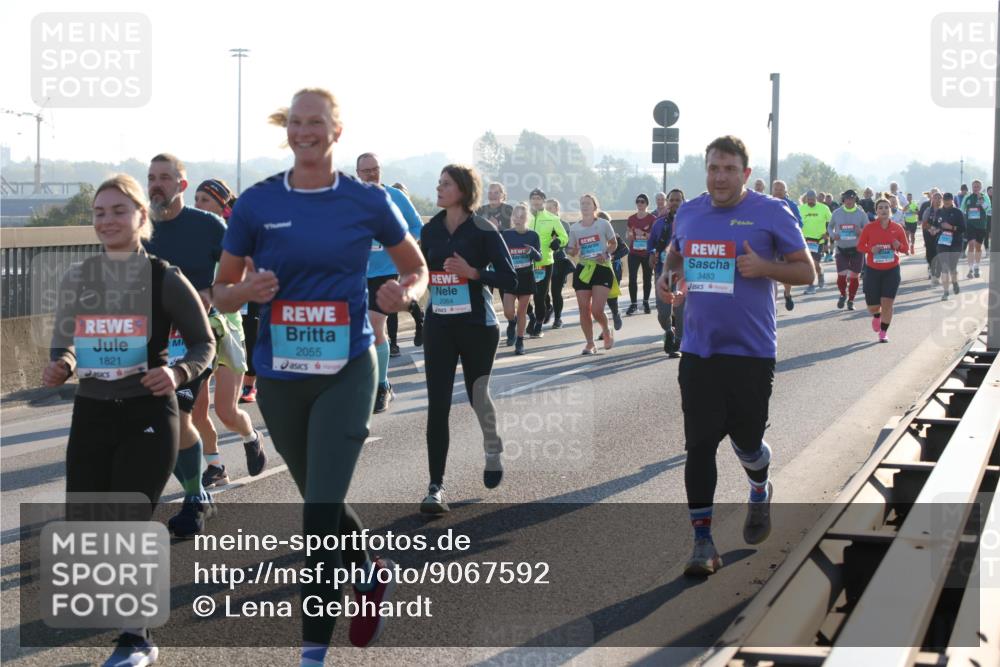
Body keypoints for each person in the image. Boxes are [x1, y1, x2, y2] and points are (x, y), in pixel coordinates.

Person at [212, 88, 428, 660]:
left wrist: (403, 294)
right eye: (297, 122)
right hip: (281, 377)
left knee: (316, 520)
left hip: (347, 367)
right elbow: (221, 290)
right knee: (321, 502)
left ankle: (312, 653)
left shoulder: (367, 200)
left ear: (337, 130)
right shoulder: (258, 203)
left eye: (318, 123)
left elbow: (417, 267)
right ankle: (369, 569)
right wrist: (246, 291)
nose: (306, 131)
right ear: (289, 130)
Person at [44, 174, 214, 667]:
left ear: (142, 218)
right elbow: (66, 341)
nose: (107, 221)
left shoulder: (164, 276)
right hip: (93, 411)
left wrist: (176, 371)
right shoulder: (80, 278)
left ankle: (136, 638)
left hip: (147, 411)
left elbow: (203, 344)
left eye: (119, 211)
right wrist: (64, 364)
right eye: (99, 212)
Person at [657, 135, 813, 576]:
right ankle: (702, 543)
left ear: (745, 173)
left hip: (751, 353)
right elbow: (675, 256)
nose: (719, 176)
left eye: (728, 169)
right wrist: (666, 279)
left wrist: (766, 269)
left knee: (746, 442)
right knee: (699, 446)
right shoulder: (688, 212)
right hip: (699, 351)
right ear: (704, 171)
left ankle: (759, 486)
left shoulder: (770, 212)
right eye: (712, 168)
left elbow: (806, 270)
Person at [144, 153, 250, 537]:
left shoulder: (208, 226)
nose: (157, 184)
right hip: (150, 340)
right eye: (152, 177)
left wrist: (210, 293)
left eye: (165, 178)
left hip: (195, 341)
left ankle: (193, 500)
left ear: (181, 185)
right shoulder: (141, 227)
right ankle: (198, 492)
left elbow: (239, 274)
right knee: (158, 422)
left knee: (181, 416)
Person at [419, 164, 517, 514]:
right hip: (440, 325)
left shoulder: (484, 229)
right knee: (438, 404)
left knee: (478, 395)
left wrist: (473, 273)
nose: (439, 188)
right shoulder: (429, 230)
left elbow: (513, 280)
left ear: (462, 189)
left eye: (445, 183)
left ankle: (492, 445)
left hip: (477, 325)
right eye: (439, 182)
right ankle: (435, 487)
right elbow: (421, 274)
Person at [192, 178, 266, 488]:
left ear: (222, 206)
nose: (198, 206)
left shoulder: (235, 239)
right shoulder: (187, 238)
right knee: (195, 413)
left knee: (226, 411)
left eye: (205, 200)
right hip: (195, 334)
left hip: (229, 330)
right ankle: (216, 465)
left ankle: (250, 436)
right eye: (195, 199)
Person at [357, 152, 425, 413]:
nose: (372, 174)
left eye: (375, 169)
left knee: (375, 327)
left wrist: (400, 249)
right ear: (358, 173)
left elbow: (417, 228)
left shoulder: (395, 197)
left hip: (385, 271)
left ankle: (383, 385)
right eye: (366, 171)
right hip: (355, 273)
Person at [566, 194, 619, 355]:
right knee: (584, 309)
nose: (584, 206)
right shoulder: (575, 228)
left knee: (596, 309)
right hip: (583, 269)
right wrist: (573, 250)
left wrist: (606, 253)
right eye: (582, 203)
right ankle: (590, 343)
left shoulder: (603, 224)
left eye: (588, 203)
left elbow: (613, 243)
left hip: (601, 268)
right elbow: (569, 249)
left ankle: (606, 329)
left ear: (595, 207)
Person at [856, 196, 909, 342]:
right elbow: (860, 247)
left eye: (886, 207)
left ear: (890, 210)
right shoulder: (869, 228)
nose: (884, 210)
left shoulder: (897, 228)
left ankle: (883, 332)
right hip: (873, 270)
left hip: (891, 270)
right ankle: (876, 316)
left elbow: (906, 249)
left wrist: (899, 246)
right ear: (876, 211)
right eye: (880, 208)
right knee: (873, 306)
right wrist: (871, 249)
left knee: (887, 303)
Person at [648, 188, 685, 355]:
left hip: (682, 273)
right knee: (663, 312)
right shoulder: (659, 223)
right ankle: (668, 330)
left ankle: (676, 342)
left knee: (679, 308)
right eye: (672, 200)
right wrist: (651, 254)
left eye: (678, 200)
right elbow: (651, 244)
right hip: (662, 271)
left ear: (683, 202)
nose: (675, 203)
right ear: (667, 202)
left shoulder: (690, 222)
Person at [527, 188, 568, 337]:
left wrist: (558, 242)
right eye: (533, 198)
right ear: (530, 200)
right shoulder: (525, 217)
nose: (536, 201)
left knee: (539, 296)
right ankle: (532, 317)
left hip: (545, 262)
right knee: (524, 295)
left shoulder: (552, 218)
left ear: (543, 200)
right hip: (526, 263)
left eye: (539, 198)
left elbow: (564, 237)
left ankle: (538, 325)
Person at [502, 203, 542, 354]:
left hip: (526, 276)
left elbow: (539, 257)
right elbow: (500, 254)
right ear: (512, 218)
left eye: (522, 216)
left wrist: (532, 251)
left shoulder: (533, 236)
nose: (518, 219)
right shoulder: (506, 234)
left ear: (527, 218)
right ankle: (511, 322)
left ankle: (520, 341)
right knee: (508, 310)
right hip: (511, 277)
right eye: (515, 216)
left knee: (522, 311)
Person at [828, 189, 868, 310]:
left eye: (852, 198)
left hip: (857, 249)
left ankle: (851, 300)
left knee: (854, 276)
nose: (849, 201)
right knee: (842, 276)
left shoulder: (861, 213)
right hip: (841, 248)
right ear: (843, 199)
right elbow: (830, 227)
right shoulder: (836, 212)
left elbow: (868, 230)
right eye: (847, 199)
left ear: (855, 199)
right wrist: (832, 235)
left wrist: (861, 231)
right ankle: (842, 294)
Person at [929, 193, 967, 299]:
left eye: (948, 199)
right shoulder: (939, 212)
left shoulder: (958, 212)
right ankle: (945, 292)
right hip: (942, 242)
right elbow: (936, 225)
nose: (946, 201)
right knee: (944, 267)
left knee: (952, 267)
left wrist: (951, 227)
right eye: (944, 199)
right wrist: (934, 230)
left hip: (956, 242)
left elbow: (963, 229)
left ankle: (954, 282)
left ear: (952, 200)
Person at [772, 180, 801, 311]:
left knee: (785, 274)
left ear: (785, 191)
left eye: (781, 189)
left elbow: (799, 223)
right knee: (771, 274)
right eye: (776, 188)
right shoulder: (765, 203)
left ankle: (787, 294)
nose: (778, 191)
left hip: (785, 243)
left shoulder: (791, 205)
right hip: (770, 244)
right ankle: (773, 302)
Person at [544, 198, 574, 328]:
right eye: (547, 208)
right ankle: (548, 306)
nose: (549, 210)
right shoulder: (542, 223)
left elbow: (566, 242)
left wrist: (558, 241)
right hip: (544, 260)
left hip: (559, 261)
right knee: (542, 291)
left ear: (557, 209)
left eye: (551, 208)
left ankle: (558, 318)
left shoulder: (564, 224)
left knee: (556, 291)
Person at [625, 193, 656, 315]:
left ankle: (646, 302)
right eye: (638, 201)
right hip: (634, 252)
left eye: (642, 201)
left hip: (647, 253)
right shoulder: (631, 218)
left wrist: (642, 233)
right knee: (632, 278)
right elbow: (628, 234)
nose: (640, 204)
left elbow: (653, 237)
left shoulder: (652, 219)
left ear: (647, 204)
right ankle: (633, 304)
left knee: (647, 278)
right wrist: (631, 235)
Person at [799, 189, 831, 293]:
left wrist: (827, 234)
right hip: (805, 240)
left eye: (812, 199)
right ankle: (811, 285)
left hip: (818, 241)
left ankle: (820, 274)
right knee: (808, 263)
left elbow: (831, 222)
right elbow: (796, 223)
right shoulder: (801, 209)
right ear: (806, 199)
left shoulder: (824, 208)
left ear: (816, 198)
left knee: (816, 264)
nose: (811, 201)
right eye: (809, 199)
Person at [961, 179, 991, 278]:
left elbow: (988, 209)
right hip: (970, 225)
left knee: (978, 247)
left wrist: (981, 199)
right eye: (974, 186)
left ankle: (977, 267)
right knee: (971, 244)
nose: (976, 188)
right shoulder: (968, 197)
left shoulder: (985, 197)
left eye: (978, 186)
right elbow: (962, 209)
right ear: (972, 187)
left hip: (981, 225)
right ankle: (970, 269)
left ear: (981, 188)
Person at [921, 191, 944, 285]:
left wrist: (938, 230)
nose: (937, 200)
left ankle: (937, 274)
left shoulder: (944, 211)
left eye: (939, 198)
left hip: (941, 234)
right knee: (930, 253)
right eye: (935, 198)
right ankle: (932, 271)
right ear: (932, 199)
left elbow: (947, 222)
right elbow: (924, 222)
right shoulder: (928, 210)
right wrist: (930, 229)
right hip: (929, 234)